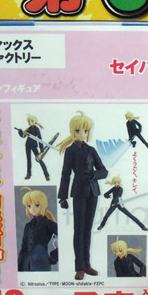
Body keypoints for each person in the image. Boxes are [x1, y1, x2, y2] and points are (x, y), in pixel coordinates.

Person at [58, 111, 108, 280]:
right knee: (78, 229)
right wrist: (62, 196)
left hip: (93, 191)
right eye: (79, 130)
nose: (82, 133)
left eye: (85, 131)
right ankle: (79, 266)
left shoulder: (91, 150)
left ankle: (87, 264)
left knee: (87, 229)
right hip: (79, 191)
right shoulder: (70, 151)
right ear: (73, 131)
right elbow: (65, 174)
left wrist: (93, 175)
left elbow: (104, 171)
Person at [17, 188, 58, 271]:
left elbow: (66, 238)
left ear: (43, 205)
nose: (32, 208)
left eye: (36, 205)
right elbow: (23, 247)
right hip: (26, 265)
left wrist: (54, 256)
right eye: (29, 206)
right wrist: (19, 266)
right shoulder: (28, 226)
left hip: (42, 264)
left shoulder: (48, 224)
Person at [18, 115, 50, 181]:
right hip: (27, 145)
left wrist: (41, 148)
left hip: (34, 145)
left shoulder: (36, 129)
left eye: (32, 121)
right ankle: (28, 174)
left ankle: (46, 175)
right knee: (28, 160)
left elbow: (39, 138)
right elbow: (23, 136)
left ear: (35, 121)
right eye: (29, 121)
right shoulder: (28, 129)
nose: (30, 122)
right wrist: (20, 132)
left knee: (39, 159)